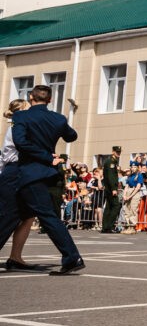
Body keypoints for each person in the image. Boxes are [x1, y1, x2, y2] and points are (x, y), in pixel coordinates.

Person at [2, 85, 85, 275]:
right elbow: (72, 136)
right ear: (49, 100)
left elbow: (21, 142)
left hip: (28, 174)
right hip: (42, 174)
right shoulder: (58, 118)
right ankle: (17, 258)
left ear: (31, 97)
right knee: (10, 215)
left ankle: (72, 257)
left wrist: (46, 156)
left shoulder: (21, 117)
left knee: (47, 217)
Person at [0, 100, 39, 271]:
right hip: (14, 171)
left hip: (21, 171)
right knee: (10, 215)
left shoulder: (20, 127)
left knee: (29, 215)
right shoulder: (17, 128)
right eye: (28, 109)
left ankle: (16, 257)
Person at [100, 147, 121, 233]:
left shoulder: (111, 161)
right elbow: (111, 176)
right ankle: (109, 226)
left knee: (109, 207)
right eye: (117, 152)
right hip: (111, 188)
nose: (118, 153)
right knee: (116, 206)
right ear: (113, 152)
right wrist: (113, 188)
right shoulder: (111, 162)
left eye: (119, 152)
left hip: (108, 188)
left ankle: (105, 227)